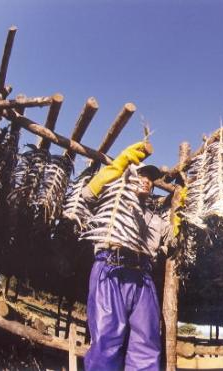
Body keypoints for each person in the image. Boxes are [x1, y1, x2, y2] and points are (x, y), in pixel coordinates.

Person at [81, 141, 170, 371]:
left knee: (147, 345)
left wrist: (178, 217)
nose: (146, 181)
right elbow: (87, 195)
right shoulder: (112, 194)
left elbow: (170, 241)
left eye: (151, 179)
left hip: (142, 278)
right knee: (107, 341)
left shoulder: (155, 218)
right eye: (142, 174)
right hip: (111, 268)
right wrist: (117, 166)